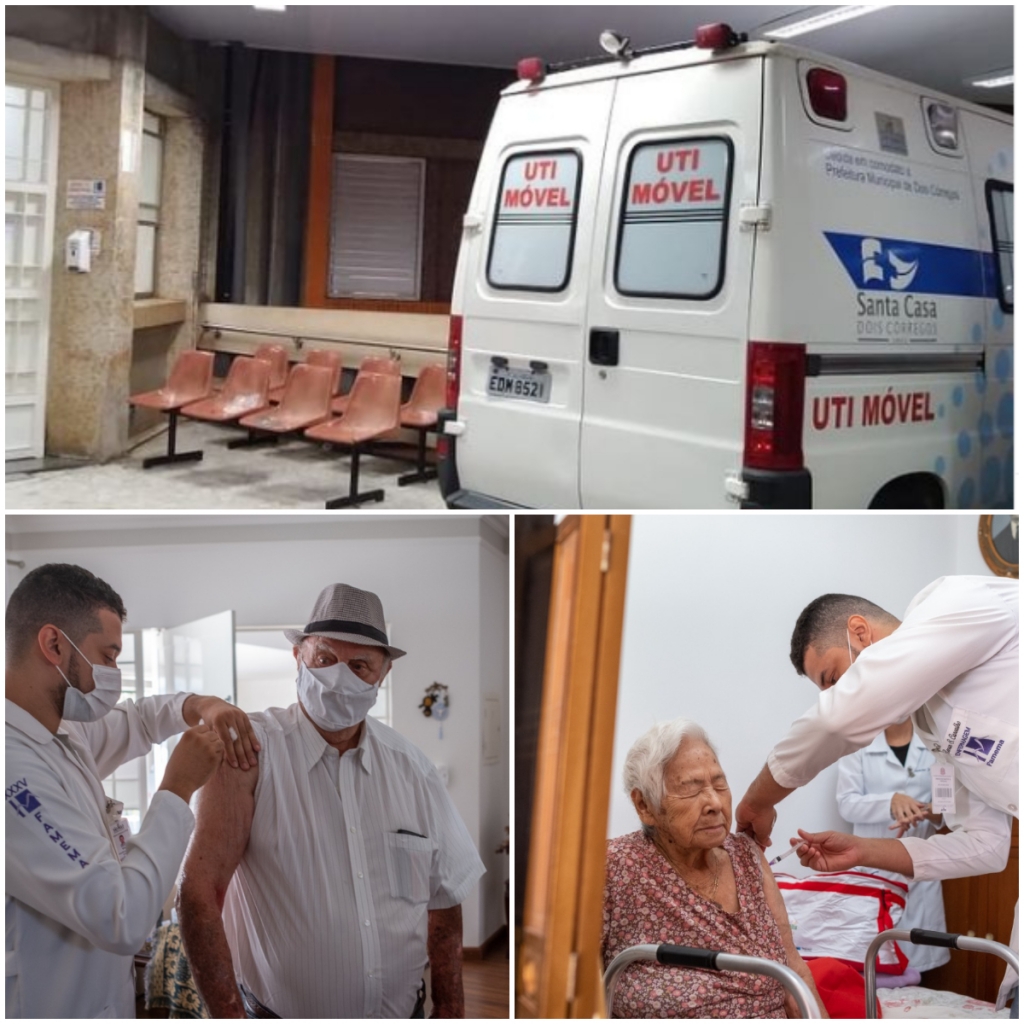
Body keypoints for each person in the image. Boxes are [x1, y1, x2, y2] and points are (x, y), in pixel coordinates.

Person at [179, 583, 486, 1019]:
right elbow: (197, 893)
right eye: (324, 659)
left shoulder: (413, 771)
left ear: (383, 675)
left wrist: (450, 1010)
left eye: (360, 665)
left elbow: (445, 898)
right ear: (298, 657)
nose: (339, 676)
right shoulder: (248, 754)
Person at [735, 577, 1018, 1010]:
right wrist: (862, 850)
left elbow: (836, 720)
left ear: (860, 633)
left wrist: (758, 801)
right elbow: (988, 845)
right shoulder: (932, 723)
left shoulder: (954, 603)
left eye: (831, 678)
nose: (834, 695)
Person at [6, 563, 256, 1019]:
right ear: (54, 644)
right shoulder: (13, 767)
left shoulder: (62, 732)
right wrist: (177, 787)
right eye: (108, 655)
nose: (114, 673)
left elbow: (139, 719)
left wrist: (201, 704)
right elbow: (118, 915)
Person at [603, 718, 828, 1019]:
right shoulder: (614, 867)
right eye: (692, 789)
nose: (714, 803)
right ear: (645, 806)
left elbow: (792, 966)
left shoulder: (748, 856)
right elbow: (576, 986)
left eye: (719, 784)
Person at [835, 718, 949, 974]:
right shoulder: (857, 743)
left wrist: (924, 810)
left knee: (918, 972)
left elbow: (945, 811)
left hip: (920, 874)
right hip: (874, 873)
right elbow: (846, 804)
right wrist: (891, 801)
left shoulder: (935, 742)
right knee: (875, 968)